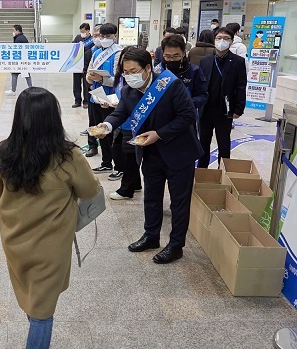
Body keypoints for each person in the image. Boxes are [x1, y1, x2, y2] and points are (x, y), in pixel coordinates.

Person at [0, 87, 100, 349]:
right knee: (43, 310)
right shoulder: (67, 155)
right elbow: (89, 190)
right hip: (51, 242)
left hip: (15, 237)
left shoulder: (3, 151)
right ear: (53, 117)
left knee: (31, 294)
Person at [95, 48, 203, 263]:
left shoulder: (170, 85)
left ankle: (176, 245)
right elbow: (121, 112)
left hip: (178, 152)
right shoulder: (128, 90)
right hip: (150, 152)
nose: (128, 76)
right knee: (151, 198)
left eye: (133, 71)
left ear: (147, 68)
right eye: (125, 72)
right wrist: (106, 125)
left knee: (178, 203)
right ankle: (151, 236)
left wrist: (160, 134)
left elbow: (188, 115)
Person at [198, 27, 247, 168]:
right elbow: (200, 84)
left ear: (231, 41)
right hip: (206, 110)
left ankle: (223, 172)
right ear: (214, 40)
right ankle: (202, 172)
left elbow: (241, 86)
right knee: (203, 143)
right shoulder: (205, 60)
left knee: (224, 144)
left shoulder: (237, 61)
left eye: (226, 38)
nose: (222, 41)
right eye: (219, 38)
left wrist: (239, 108)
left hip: (225, 110)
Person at [85, 23, 123, 179]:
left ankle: (119, 166)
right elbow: (89, 72)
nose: (104, 39)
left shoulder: (119, 53)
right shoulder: (96, 53)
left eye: (108, 36)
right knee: (100, 132)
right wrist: (90, 77)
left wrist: (102, 79)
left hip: (112, 99)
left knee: (113, 134)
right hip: (97, 97)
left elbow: (119, 79)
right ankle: (106, 162)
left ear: (115, 36)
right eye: (102, 36)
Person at [108, 46, 143, 200]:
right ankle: (135, 183)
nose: (128, 72)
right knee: (122, 151)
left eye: (132, 70)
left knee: (129, 154)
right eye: (125, 68)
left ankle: (126, 188)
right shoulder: (120, 77)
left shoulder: (144, 83)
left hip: (133, 123)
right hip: (121, 122)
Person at [154, 34, 209, 114]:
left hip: (186, 114)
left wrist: (186, 104)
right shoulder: (157, 71)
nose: (171, 60)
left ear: (183, 53)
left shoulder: (194, 71)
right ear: (163, 54)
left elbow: (203, 96)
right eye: (168, 56)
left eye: (176, 56)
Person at [83, 24, 103, 157]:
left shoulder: (117, 52)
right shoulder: (90, 52)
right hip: (94, 91)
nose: (97, 39)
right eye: (95, 36)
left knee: (105, 122)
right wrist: (90, 85)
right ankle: (92, 145)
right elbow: (85, 71)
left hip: (109, 93)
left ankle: (107, 149)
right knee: (93, 120)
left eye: (99, 36)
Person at [5, 25, 33, 96]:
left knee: (15, 74)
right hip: (24, 60)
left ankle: (13, 90)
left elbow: (17, 50)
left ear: (17, 30)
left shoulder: (18, 39)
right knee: (26, 74)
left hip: (20, 60)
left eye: (14, 30)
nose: (13, 32)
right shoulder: (22, 37)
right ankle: (31, 88)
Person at [72, 23, 93, 108]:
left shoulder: (92, 40)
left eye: (83, 32)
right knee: (76, 84)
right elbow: (72, 47)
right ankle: (77, 101)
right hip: (76, 65)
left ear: (88, 31)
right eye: (81, 32)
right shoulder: (78, 37)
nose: (82, 33)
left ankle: (86, 101)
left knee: (86, 84)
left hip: (86, 65)